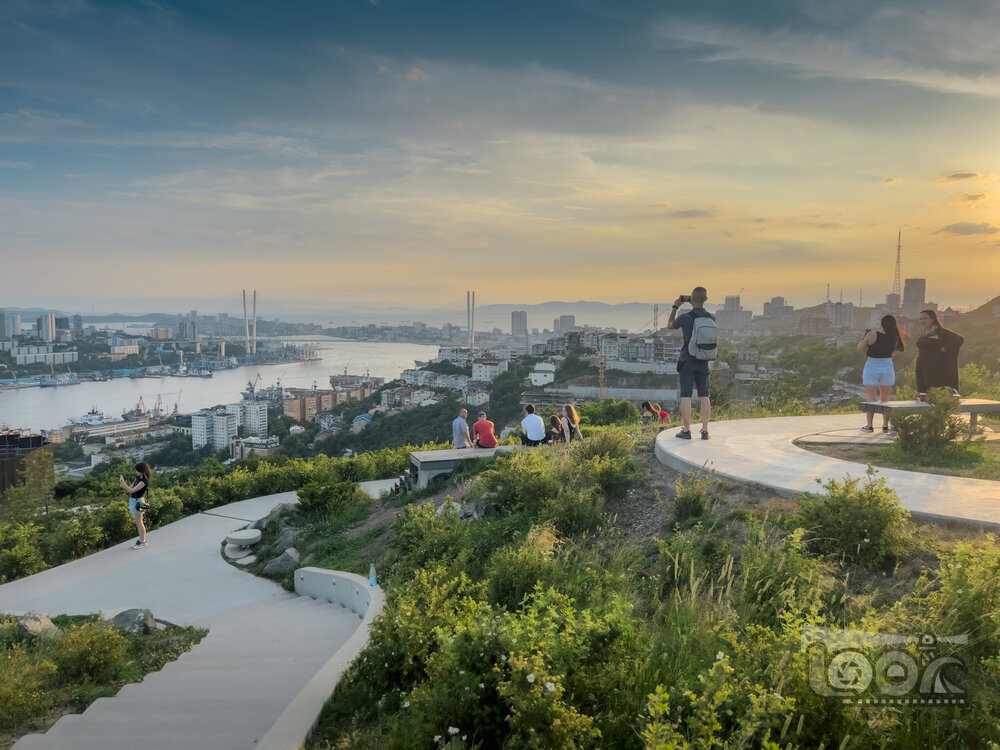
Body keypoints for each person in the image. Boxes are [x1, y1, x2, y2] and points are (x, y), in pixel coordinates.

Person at [668, 287, 715, 440]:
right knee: (704, 396)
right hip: (704, 361)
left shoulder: (686, 318)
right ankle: (705, 431)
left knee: (686, 396)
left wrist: (676, 306)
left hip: (687, 361)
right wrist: (695, 301)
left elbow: (670, 324)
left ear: (692, 298)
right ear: (706, 299)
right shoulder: (711, 318)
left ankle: (687, 431)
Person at [857, 314, 906, 432]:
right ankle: (885, 425)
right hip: (887, 365)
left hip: (872, 365)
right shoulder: (895, 337)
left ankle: (869, 425)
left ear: (881, 323)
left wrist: (863, 338)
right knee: (885, 398)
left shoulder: (872, 334)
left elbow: (859, 349)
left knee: (871, 397)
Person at [915, 309, 964, 399]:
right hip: (922, 366)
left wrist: (945, 349)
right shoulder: (924, 333)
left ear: (932, 319)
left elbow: (959, 339)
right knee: (924, 391)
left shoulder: (939, 331)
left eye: (925, 318)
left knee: (936, 391)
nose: (922, 321)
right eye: (920, 319)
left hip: (935, 367)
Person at [120, 462, 152, 549]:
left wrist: (124, 484)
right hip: (133, 500)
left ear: (142, 471)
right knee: (138, 522)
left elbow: (132, 490)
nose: (136, 472)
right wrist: (124, 484)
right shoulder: (138, 478)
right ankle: (142, 540)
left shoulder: (144, 481)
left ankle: (143, 541)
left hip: (138, 502)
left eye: (137, 470)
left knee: (139, 523)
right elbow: (131, 487)